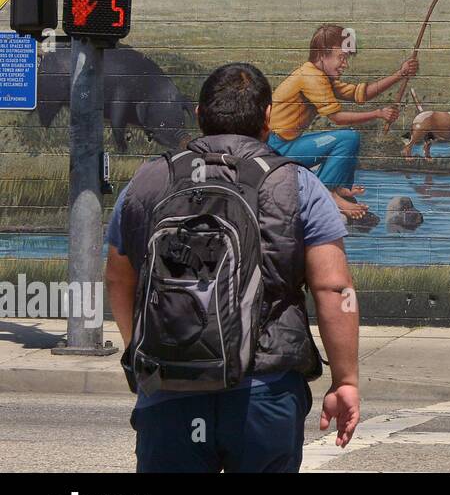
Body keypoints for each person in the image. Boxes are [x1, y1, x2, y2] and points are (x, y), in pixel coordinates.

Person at [105, 62, 361, 472]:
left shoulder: (148, 180)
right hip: (266, 387)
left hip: (170, 385)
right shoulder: (297, 184)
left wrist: (145, 346)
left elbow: (119, 277)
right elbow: (334, 289)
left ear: (199, 116)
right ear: (266, 119)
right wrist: (345, 380)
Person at [269, 24, 417, 219]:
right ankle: (328, 195)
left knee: (348, 139)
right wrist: (377, 113)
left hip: (283, 144)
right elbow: (336, 118)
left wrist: (400, 74)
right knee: (347, 139)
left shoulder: (321, 75)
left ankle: (339, 190)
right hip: (276, 148)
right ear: (323, 55)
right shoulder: (311, 77)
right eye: (341, 57)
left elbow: (359, 93)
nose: (344, 64)